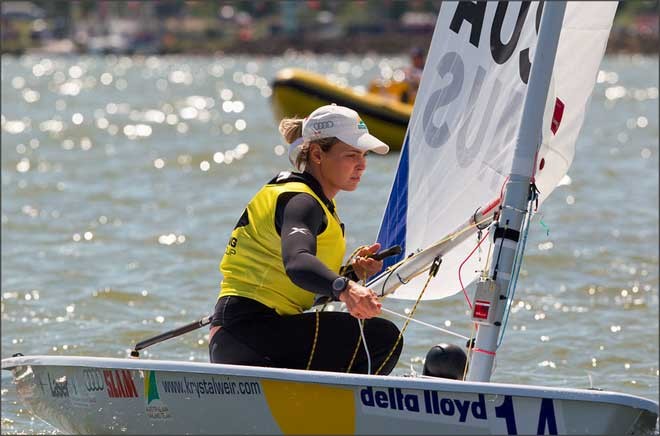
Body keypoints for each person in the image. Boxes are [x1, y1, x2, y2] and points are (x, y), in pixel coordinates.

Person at [208, 104, 403, 375]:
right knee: (382, 338)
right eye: (351, 155)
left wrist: (351, 274)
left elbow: (297, 284)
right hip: (250, 332)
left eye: (363, 155)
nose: (362, 165)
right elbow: (297, 264)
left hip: (241, 336)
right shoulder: (301, 201)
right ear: (317, 154)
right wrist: (345, 288)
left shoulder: (313, 202)